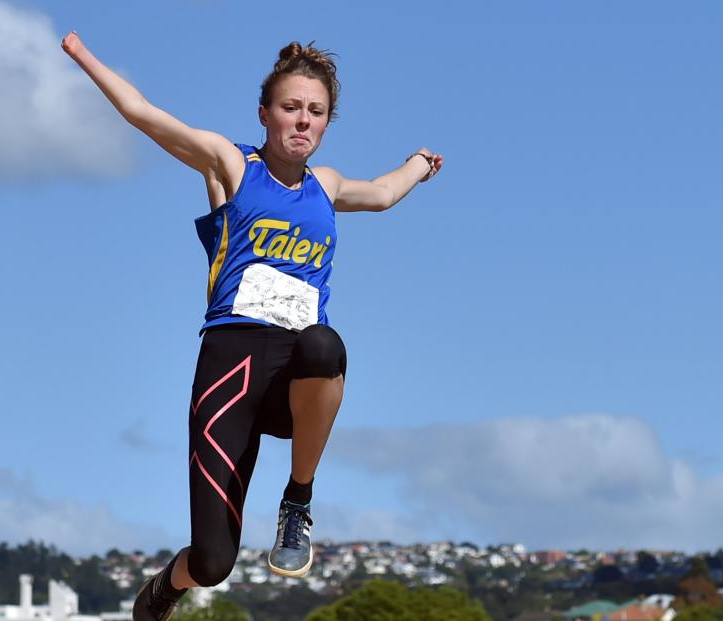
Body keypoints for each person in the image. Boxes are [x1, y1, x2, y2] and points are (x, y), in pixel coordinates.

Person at [61, 32, 442, 621]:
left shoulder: (328, 186)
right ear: (265, 114)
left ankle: (298, 498)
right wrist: (83, 56)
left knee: (325, 345)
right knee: (214, 561)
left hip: (294, 374)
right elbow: (143, 115)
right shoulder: (232, 165)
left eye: (315, 112)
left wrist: (419, 164)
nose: (302, 121)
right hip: (230, 371)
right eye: (290, 108)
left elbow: (386, 193)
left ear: (325, 124)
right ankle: (168, 584)